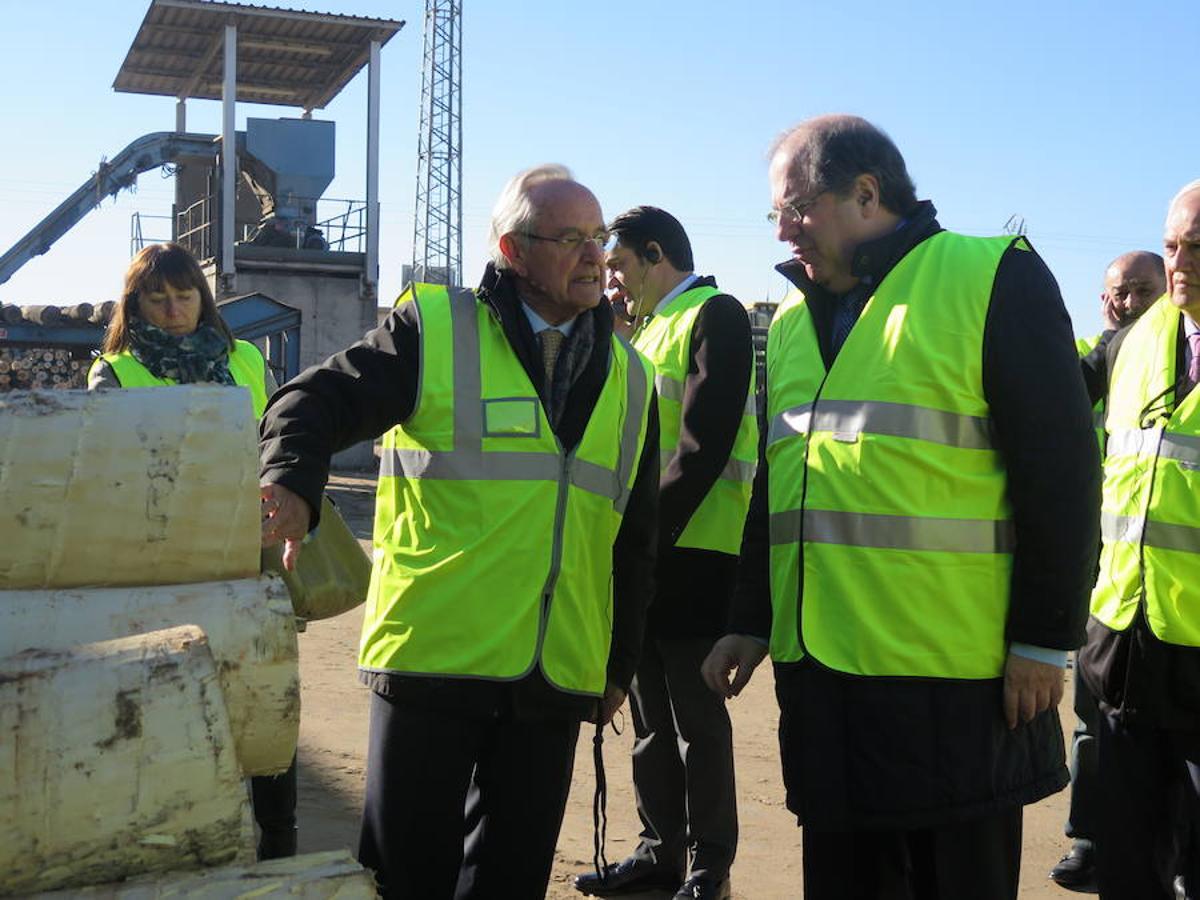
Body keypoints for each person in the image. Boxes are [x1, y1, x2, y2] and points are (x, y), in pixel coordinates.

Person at [700, 115, 1100, 899]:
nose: (782, 231)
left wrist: (1045, 641)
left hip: (952, 688)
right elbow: (784, 485)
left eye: (795, 207)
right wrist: (750, 616)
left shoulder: (991, 277)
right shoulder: (788, 322)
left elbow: (1062, 477)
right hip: (822, 682)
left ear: (866, 193)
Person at [258, 164, 660, 900]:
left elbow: (633, 540)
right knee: (405, 880)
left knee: (511, 881)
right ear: (512, 250)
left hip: (555, 671)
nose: (594, 255)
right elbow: (310, 402)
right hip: (433, 661)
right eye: (569, 238)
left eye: (598, 238)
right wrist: (291, 480)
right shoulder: (435, 329)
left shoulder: (633, 377)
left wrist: (617, 665)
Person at [87, 241, 296, 861]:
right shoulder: (115, 371)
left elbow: (280, 437)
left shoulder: (246, 359)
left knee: (266, 693)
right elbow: (106, 472)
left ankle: (278, 843)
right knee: (173, 697)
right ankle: (183, 840)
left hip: (247, 549)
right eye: (159, 298)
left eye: (185, 295)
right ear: (136, 303)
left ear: (203, 298)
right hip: (162, 561)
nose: (175, 309)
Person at [573, 207, 755, 900]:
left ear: (656, 255)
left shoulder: (718, 315)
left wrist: (643, 533)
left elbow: (702, 447)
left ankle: (710, 868)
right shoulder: (647, 334)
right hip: (644, 556)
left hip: (698, 554)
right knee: (648, 720)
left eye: (618, 266)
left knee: (696, 723)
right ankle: (659, 854)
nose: (612, 283)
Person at [1078, 180, 1200, 899]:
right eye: (1172, 245)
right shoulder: (1131, 343)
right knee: (1127, 860)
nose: (1179, 263)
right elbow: (1046, 410)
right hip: (1126, 644)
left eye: (1197, 248)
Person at [1052, 250, 1166, 892]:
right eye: (1117, 293)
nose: (1126, 303)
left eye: (1140, 291)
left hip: (1173, 588)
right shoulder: (1102, 358)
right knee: (1095, 721)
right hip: (1106, 579)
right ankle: (1090, 840)